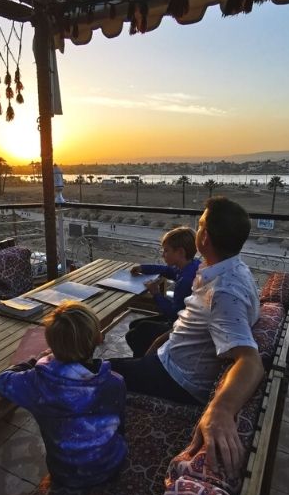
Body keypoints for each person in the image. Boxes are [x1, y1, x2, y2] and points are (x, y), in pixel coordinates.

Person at [110, 197, 262, 476]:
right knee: (140, 332)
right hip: (175, 351)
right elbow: (198, 322)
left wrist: (221, 409)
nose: (197, 228)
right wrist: (166, 338)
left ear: (205, 237)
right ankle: (140, 372)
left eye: (201, 224)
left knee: (100, 371)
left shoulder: (224, 292)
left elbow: (250, 360)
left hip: (177, 375)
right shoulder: (231, 268)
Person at [0, 302, 127, 489]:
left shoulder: (37, 382)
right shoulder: (115, 382)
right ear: (98, 338)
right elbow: (120, 427)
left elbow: (1, 381)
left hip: (64, 474)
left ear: (51, 344)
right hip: (111, 466)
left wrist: (34, 362)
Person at [124, 226, 200, 356]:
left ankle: (144, 362)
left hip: (178, 325)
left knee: (134, 334)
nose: (163, 254)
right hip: (183, 319)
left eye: (166, 251)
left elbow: (172, 314)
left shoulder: (185, 281)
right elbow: (167, 270)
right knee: (135, 325)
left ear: (180, 252)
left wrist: (156, 294)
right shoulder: (191, 265)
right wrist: (143, 268)